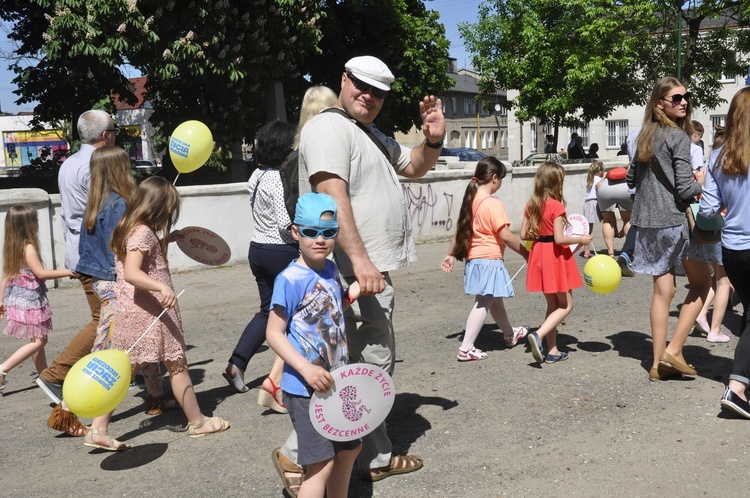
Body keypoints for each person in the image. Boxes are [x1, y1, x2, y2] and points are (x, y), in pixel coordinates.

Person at [274, 55, 444, 491]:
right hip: (354, 271)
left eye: (378, 92)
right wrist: (363, 261)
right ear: (344, 80)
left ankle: (371, 454)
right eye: (361, 86)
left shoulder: (365, 132)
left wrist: (434, 140)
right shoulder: (331, 126)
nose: (368, 96)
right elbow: (333, 194)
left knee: (359, 363)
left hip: (363, 270)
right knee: (368, 364)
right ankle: (299, 455)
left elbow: (414, 166)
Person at [85, 177, 230, 450]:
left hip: (133, 310)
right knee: (176, 364)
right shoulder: (141, 233)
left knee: (123, 372)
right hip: (150, 312)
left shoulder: (132, 227)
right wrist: (161, 286)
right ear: (158, 207)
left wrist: (167, 240)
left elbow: (142, 259)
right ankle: (198, 422)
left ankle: (98, 428)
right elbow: (133, 272)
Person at [267, 193, 362, 498]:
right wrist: (305, 369)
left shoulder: (331, 270)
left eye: (328, 232)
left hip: (336, 380)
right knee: (320, 464)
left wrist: (350, 296)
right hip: (305, 388)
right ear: (296, 232)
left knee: (349, 448)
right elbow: (274, 333)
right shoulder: (289, 279)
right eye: (310, 232)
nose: (319, 240)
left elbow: (328, 313)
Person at [76, 146, 174, 416]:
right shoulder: (119, 204)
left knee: (144, 336)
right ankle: (72, 407)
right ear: (119, 170)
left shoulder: (95, 203)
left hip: (99, 278)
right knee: (112, 347)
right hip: (115, 281)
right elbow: (128, 250)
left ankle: (155, 395)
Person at [626, 76, 711, 382]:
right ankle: (673, 350)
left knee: (663, 292)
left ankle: (656, 364)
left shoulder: (643, 138)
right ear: (659, 103)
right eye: (676, 98)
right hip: (675, 222)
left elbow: (631, 180)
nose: (684, 102)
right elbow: (685, 190)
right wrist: (700, 182)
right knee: (703, 286)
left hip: (646, 222)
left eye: (686, 96)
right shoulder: (678, 138)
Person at [36, 110, 116, 434]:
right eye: (114, 131)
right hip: (97, 254)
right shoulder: (98, 164)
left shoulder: (69, 163)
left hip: (79, 251)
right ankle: (57, 375)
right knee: (103, 323)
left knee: (109, 322)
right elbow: (108, 212)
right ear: (106, 135)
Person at [223, 121, 297, 413]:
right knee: (292, 317)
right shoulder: (277, 178)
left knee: (268, 312)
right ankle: (279, 384)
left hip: (258, 249)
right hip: (280, 251)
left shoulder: (256, 174)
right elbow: (283, 222)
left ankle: (236, 364)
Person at [441, 157, 530, 361]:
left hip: (476, 260)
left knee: (493, 299)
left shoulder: (471, 201)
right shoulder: (492, 204)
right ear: (495, 178)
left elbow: (460, 230)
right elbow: (505, 235)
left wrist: (450, 254)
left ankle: (510, 334)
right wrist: (526, 253)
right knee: (483, 302)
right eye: (502, 179)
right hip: (489, 259)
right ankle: (466, 348)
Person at [698, 86, 750, 418]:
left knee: (749, 313)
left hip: (732, 249)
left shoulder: (718, 157)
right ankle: (737, 386)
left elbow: (707, 212)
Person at [520, 162, 592, 364]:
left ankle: (552, 350)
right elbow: (560, 239)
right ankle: (539, 334)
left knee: (552, 304)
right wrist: (581, 239)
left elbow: (524, 234)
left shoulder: (532, 204)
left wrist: (541, 234)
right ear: (555, 183)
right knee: (566, 305)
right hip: (555, 256)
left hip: (540, 255)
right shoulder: (556, 206)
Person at [0, 206, 74, 395]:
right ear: (28, 225)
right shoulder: (29, 247)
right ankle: (3, 369)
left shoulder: (12, 246)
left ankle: (44, 375)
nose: (38, 223)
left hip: (18, 299)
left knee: (35, 338)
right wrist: (71, 272)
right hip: (30, 301)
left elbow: (5, 276)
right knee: (40, 341)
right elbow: (41, 273)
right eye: (35, 220)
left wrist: (1, 300)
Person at [694, 124, 732, 343]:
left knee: (716, 277)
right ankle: (715, 329)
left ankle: (701, 314)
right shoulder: (727, 164)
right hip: (721, 226)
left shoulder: (709, 164)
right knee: (723, 281)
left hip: (708, 228)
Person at [596, 166, 632, 258]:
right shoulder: (630, 171)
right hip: (625, 188)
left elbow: (598, 184)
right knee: (628, 220)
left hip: (605, 188)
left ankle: (611, 253)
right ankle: (631, 251)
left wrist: (615, 228)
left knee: (607, 220)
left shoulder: (607, 175)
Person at [581, 161, 604, 258]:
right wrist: (604, 178)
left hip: (587, 204)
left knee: (588, 228)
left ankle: (587, 251)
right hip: (594, 203)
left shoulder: (590, 179)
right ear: (600, 171)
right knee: (589, 229)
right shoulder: (599, 179)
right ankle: (587, 251)